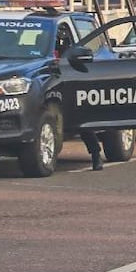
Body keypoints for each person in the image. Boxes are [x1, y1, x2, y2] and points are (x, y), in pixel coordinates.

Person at [55, 24, 104, 171]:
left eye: (60, 36)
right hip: (48, 88)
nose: (59, 38)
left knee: (82, 123)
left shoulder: (70, 49)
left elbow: (82, 69)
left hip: (69, 88)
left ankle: (96, 154)